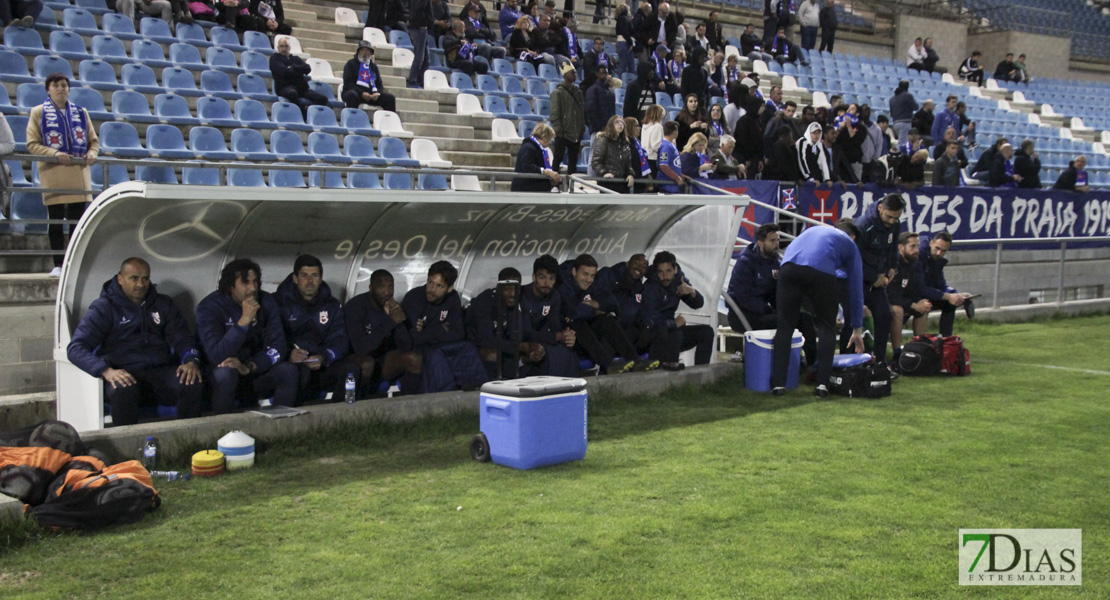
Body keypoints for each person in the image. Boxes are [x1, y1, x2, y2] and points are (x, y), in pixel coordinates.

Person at [67, 258, 203, 426]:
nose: (141, 284)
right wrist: (106, 370)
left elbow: (182, 337)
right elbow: (75, 348)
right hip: (124, 372)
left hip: (158, 371)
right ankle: (128, 446)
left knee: (191, 380)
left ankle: (189, 440)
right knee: (123, 389)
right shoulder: (104, 307)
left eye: (145, 278)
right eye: (134, 278)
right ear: (120, 279)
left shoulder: (163, 304)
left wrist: (191, 360)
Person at [771, 221, 865, 397]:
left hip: (788, 268)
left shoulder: (814, 229)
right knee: (827, 326)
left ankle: (778, 385)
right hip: (820, 272)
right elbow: (856, 289)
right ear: (852, 238)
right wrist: (857, 328)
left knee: (785, 325)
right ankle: (822, 384)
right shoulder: (850, 245)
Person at [196, 258, 298, 413]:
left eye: (255, 281)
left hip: (253, 369)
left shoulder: (266, 301)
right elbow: (217, 356)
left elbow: (278, 347)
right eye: (245, 283)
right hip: (222, 372)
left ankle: (281, 427)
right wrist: (243, 321)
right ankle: (224, 432)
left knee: (288, 370)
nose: (252, 288)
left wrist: (250, 367)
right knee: (225, 374)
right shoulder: (209, 307)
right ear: (231, 286)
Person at [26, 73, 99, 277]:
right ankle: (58, 263)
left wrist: (92, 152)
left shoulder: (81, 112)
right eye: (56, 85)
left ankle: (74, 263)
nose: (61, 89)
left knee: (77, 222)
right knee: (56, 221)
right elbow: (32, 144)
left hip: (78, 174)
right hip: (54, 173)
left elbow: (93, 141)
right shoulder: (38, 112)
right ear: (48, 89)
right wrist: (55, 153)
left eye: (65, 85)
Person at [275, 255, 360, 405]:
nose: (309, 281)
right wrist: (289, 354)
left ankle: (345, 415)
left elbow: (340, 340)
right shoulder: (277, 302)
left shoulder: (332, 305)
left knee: (351, 370)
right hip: (292, 365)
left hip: (320, 364)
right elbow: (271, 338)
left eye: (314, 275)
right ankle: (298, 421)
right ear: (295, 278)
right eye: (304, 275)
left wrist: (324, 357)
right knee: (296, 372)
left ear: (320, 279)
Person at [401, 260, 487, 392]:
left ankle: (477, 388)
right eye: (430, 282)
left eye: (439, 286)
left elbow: (459, 333)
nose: (431, 290)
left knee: (468, 347)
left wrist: (428, 332)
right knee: (434, 354)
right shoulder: (414, 298)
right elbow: (414, 339)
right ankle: (446, 393)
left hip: (439, 344)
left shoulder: (452, 298)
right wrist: (442, 328)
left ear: (449, 288)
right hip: (421, 348)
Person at [558, 254, 647, 373]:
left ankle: (635, 361)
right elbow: (574, 311)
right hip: (567, 337)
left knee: (607, 319)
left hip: (586, 336)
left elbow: (612, 302)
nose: (589, 279)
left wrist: (597, 304)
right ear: (574, 271)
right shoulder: (563, 284)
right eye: (585, 274)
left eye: (592, 275)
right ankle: (608, 364)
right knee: (578, 322)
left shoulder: (592, 283)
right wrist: (595, 311)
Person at [344, 269, 423, 396]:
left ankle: (408, 407)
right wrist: (390, 322)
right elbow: (361, 349)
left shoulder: (392, 307)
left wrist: (399, 322)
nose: (387, 292)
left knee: (415, 358)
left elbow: (406, 346)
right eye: (381, 287)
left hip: (383, 362)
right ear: (371, 288)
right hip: (356, 361)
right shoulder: (355, 306)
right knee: (367, 363)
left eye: (390, 287)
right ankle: (359, 408)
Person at [853, 193, 905, 371]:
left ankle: (880, 361)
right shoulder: (863, 226)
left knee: (884, 315)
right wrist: (872, 277)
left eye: (895, 217)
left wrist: (892, 267)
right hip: (859, 281)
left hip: (878, 279)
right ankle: (852, 362)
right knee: (852, 320)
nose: (891, 221)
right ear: (880, 208)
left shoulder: (894, 224)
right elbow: (854, 258)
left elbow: (892, 249)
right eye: (889, 216)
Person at [641, 251, 714, 369]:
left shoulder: (678, 280)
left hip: (671, 329)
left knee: (706, 332)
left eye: (668, 271)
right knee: (676, 332)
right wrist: (674, 323)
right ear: (656, 271)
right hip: (655, 334)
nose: (664, 277)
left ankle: (700, 373)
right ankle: (669, 370)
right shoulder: (650, 287)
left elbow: (698, 304)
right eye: (660, 272)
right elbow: (651, 321)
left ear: (675, 269)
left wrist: (692, 292)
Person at [466, 267, 541, 380]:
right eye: (507, 288)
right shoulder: (484, 301)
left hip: (504, 346)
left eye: (516, 288)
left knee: (541, 353)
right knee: (492, 354)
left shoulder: (520, 302)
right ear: (499, 288)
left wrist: (534, 346)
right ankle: (492, 390)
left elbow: (526, 333)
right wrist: (520, 347)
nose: (512, 294)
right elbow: (486, 340)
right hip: (476, 348)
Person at [519, 254, 578, 377]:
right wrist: (557, 336)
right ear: (534, 277)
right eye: (542, 277)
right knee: (546, 352)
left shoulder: (554, 295)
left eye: (551, 278)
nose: (547, 283)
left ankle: (570, 390)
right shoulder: (522, 295)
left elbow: (554, 325)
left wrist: (567, 335)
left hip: (545, 340)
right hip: (524, 344)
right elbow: (526, 333)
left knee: (567, 350)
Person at [886, 231, 933, 364]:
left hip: (902, 301)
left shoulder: (914, 264)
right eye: (912, 246)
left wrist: (919, 303)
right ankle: (897, 354)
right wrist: (912, 305)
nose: (917, 250)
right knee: (897, 310)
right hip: (886, 302)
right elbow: (890, 294)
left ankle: (919, 349)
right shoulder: (893, 264)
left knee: (923, 308)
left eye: (917, 246)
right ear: (901, 247)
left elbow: (916, 289)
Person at [917, 231, 974, 337]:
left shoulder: (936, 259)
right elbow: (920, 288)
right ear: (931, 243)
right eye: (937, 248)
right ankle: (919, 342)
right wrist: (948, 296)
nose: (939, 253)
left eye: (943, 251)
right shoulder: (919, 255)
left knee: (950, 304)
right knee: (926, 304)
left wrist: (956, 294)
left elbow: (940, 284)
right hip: (909, 295)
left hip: (923, 294)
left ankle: (945, 341)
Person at [270, 37, 328, 114]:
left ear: (289, 48)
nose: (284, 48)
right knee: (292, 93)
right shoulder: (275, 58)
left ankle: (308, 113)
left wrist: (292, 67)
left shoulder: (295, 58)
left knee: (322, 98)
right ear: (277, 47)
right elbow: (283, 71)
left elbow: (307, 68)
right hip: (284, 87)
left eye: (286, 46)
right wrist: (298, 70)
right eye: (281, 46)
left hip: (301, 88)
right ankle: (302, 113)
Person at [549, 61, 585, 174]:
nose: (574, 74)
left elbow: (581, 112)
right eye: (572, 73)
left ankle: (571, 185)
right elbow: (554, 113)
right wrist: (559, 130)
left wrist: (581, 128)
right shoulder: (557, 93)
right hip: (563, 132)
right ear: (565, 76)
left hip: (575, 132)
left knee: (573, 162)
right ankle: (553, 183)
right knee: (558, 158)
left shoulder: (578, 92)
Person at [341, 41, 396, 112]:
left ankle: (389, 121)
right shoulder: (350, 64)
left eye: (368, 51)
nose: (365, 53)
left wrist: (377, 93)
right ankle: (352, 120)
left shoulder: (373, 67)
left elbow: (379, 85)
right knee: (352, 95)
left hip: (371, 95)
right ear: (358, 52)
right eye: (363, 50)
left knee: (390, 98)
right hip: (355, 93)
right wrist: (362, 94)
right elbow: (348, 84)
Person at [591, 115, 637, 193]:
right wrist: (604, 173)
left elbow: (628, 164)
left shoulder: (625, 143)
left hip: (622, 182)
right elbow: (596, 162)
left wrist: (630, 174)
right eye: (617, 122)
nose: (620, 124)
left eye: (622, 122)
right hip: (607, 182)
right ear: (611, 125)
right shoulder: (603, 140)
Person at [511, 122, 561, 192]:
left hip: (533, 189)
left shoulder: (538, 149)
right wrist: (546, 172)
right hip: (525, 190)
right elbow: (526, 166)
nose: (549, 142)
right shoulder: (528, 147)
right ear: (544, 136)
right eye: (549, 139)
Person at [732, 96, 766, 176]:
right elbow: (742, 141)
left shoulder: (758, 121)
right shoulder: (743, 121)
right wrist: (747, 158)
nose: (763, 109)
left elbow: (760, 142)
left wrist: (760, 159)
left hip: (754, 158)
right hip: (744, 158)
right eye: (761, 106)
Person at [405, 0, 433, 88]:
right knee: (419, 57)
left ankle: (421, 80)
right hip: (420, 27)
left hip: (421, 27)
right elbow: (419, 9)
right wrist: (424, 22)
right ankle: (412, 80)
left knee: (426, 58)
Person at [584, 66, 616, 137]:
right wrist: (600, 127)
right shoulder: (592, 90)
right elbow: (591, 111)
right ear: (597, 74)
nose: (605, 75)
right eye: (602, 73)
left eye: (606, 73)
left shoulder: (611, 91)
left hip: (609, 130)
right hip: (597, 130)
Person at [655, 120, 684, 193]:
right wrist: (676, 177)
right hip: (667, 184)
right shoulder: (666, 146)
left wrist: (681, 175)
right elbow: (663, 165)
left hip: (672, 184)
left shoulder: (670, 145)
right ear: (674, 131)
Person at [640, 104, 665, 172]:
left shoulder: (644, 126)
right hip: (654, 158)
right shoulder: (657, 126)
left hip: (646, 157)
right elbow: (656, 146)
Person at [615, 3, 635, 76]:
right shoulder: (624, 19)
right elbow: (625, 32)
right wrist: (630, 42)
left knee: (629, 65)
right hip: (624, 43)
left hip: (622, 43)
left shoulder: (621, 19)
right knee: (623, 65)